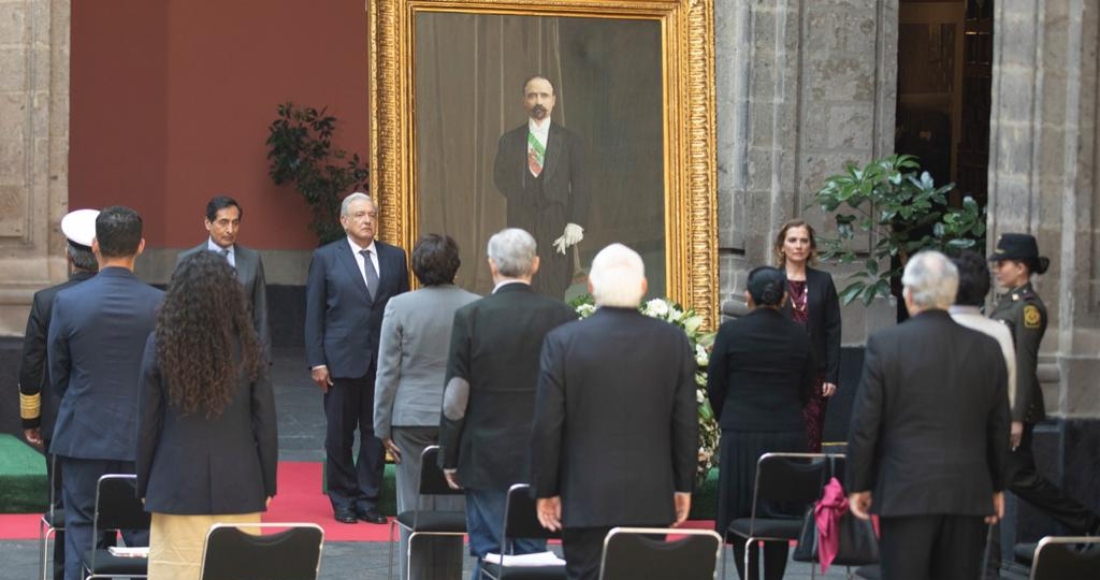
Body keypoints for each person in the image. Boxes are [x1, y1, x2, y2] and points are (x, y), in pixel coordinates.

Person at [530, 243, 698, 580]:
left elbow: (548, 424)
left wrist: (546, 489)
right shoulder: (673, 341)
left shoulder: (562, 342)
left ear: (590, 287)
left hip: (584, 497)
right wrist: (683, 485)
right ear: (643, 287)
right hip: (650, 497)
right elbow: (685, 422)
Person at [847, 251, 1010, 580]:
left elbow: (866, 423)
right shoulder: (987, 347)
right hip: (967, 491)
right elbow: (998, 424)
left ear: (908, 294)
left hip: (905, 489)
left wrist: (860, 484)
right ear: (951, 293)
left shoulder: (886, 344)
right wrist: (995, 486)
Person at [437, 228, 576, 580]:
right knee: (533, 553)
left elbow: (456, 395)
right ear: (536, 264)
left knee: (490, 553)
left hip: (485, 455)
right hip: (541, 455)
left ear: (492, 265)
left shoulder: (472, 316)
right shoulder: (562, 316)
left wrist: (449, 455)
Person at [136, 250, 277, 580]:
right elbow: (265, 422)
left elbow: (148, 423)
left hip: (175, 486)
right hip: (240, 486)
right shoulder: (251, 346)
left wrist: (144, 481)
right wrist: (268, 482)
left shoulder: (159, 344)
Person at [48, 206, 164, 580]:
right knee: (144, 537)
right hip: (143, 439)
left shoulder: (67, 303)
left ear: (95, 246)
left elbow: (58, 374)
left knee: (81, 533)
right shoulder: (160, 304)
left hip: (83, 437)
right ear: (141, 246)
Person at [374, 234, 478, 580]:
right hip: (459, 417)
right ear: (455, 268)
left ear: (416, 268)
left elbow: (388, 371)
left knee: (414, 508)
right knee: (451, 507)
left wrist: (381, 426)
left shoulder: (399, 306)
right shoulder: (474, 306)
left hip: (410, 417)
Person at [305, 192, 410, 525]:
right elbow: (313, 314)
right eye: (360, 215)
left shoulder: (395, 257)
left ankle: (368, 500)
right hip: (339, 361)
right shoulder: (326, 257)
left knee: (374, 433)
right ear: (344, 221)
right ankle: (343, 499)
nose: (367, 220)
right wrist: (316, 361)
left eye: (372, 215)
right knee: (338, 434)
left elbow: (401, 310)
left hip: (382, 362)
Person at [988, 234, 1100, 537]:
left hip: (1014, 408)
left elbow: (1024, 364)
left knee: (1019, 478)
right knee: (998, 479)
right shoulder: (1007, 303)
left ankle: (1087, 524)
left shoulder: (1028, 309)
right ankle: (989, 563)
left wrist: (1016, 417)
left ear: (1021, 267)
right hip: (998, 405)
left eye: (1003, 264)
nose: (997, 270)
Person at [707, 266, 814, 580]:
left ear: (747, 296)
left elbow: (716, 384)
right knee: (779, 515)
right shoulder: (799, 334)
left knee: (743, 516)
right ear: (783, 297)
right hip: (787, 433)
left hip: (741, 434)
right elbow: (807, 386)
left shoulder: (731, 333)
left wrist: (727, 417)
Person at [17, 208, 99, 580]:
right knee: (109, 508)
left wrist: (31, 420)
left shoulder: (47, 300)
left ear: (69, 254)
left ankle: (67, 571)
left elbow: (32, 368)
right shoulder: (134, 298)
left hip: (62, 423)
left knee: (65, 508)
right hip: (115, 423)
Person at [493, 75, 588, 298]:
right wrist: (524, 198)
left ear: (553, 100)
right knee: (522, 284)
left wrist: (576, 222)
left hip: (557, 223)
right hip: (521, 222)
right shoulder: (509, 141)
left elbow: (582, 182)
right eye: (532, 95)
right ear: (524, 101)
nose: (539, 101)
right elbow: (500, 177)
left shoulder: (570, 140)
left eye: (544, 96)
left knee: (555, 285)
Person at [176, 195, 270, 361]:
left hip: (243, 357)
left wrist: (264, 359)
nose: (230, 230)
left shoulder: (252, 259)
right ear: (208, 223)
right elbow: (179, 314)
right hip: (200, 356)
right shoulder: (187, 260)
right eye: (223, 222)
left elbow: (260, 314)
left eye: (235, 223)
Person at [774, 219, 841, 452]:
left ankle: (810, 483)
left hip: (816, 372)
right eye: (792, 240)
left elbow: (833, 328)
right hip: (780, 371)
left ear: (811, 247)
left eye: (804, 240)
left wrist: (832, 375)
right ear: (782, 246)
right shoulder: (772, 280)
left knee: (813, 433)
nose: (798, 245)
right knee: (782, 431)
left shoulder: (823, 281)